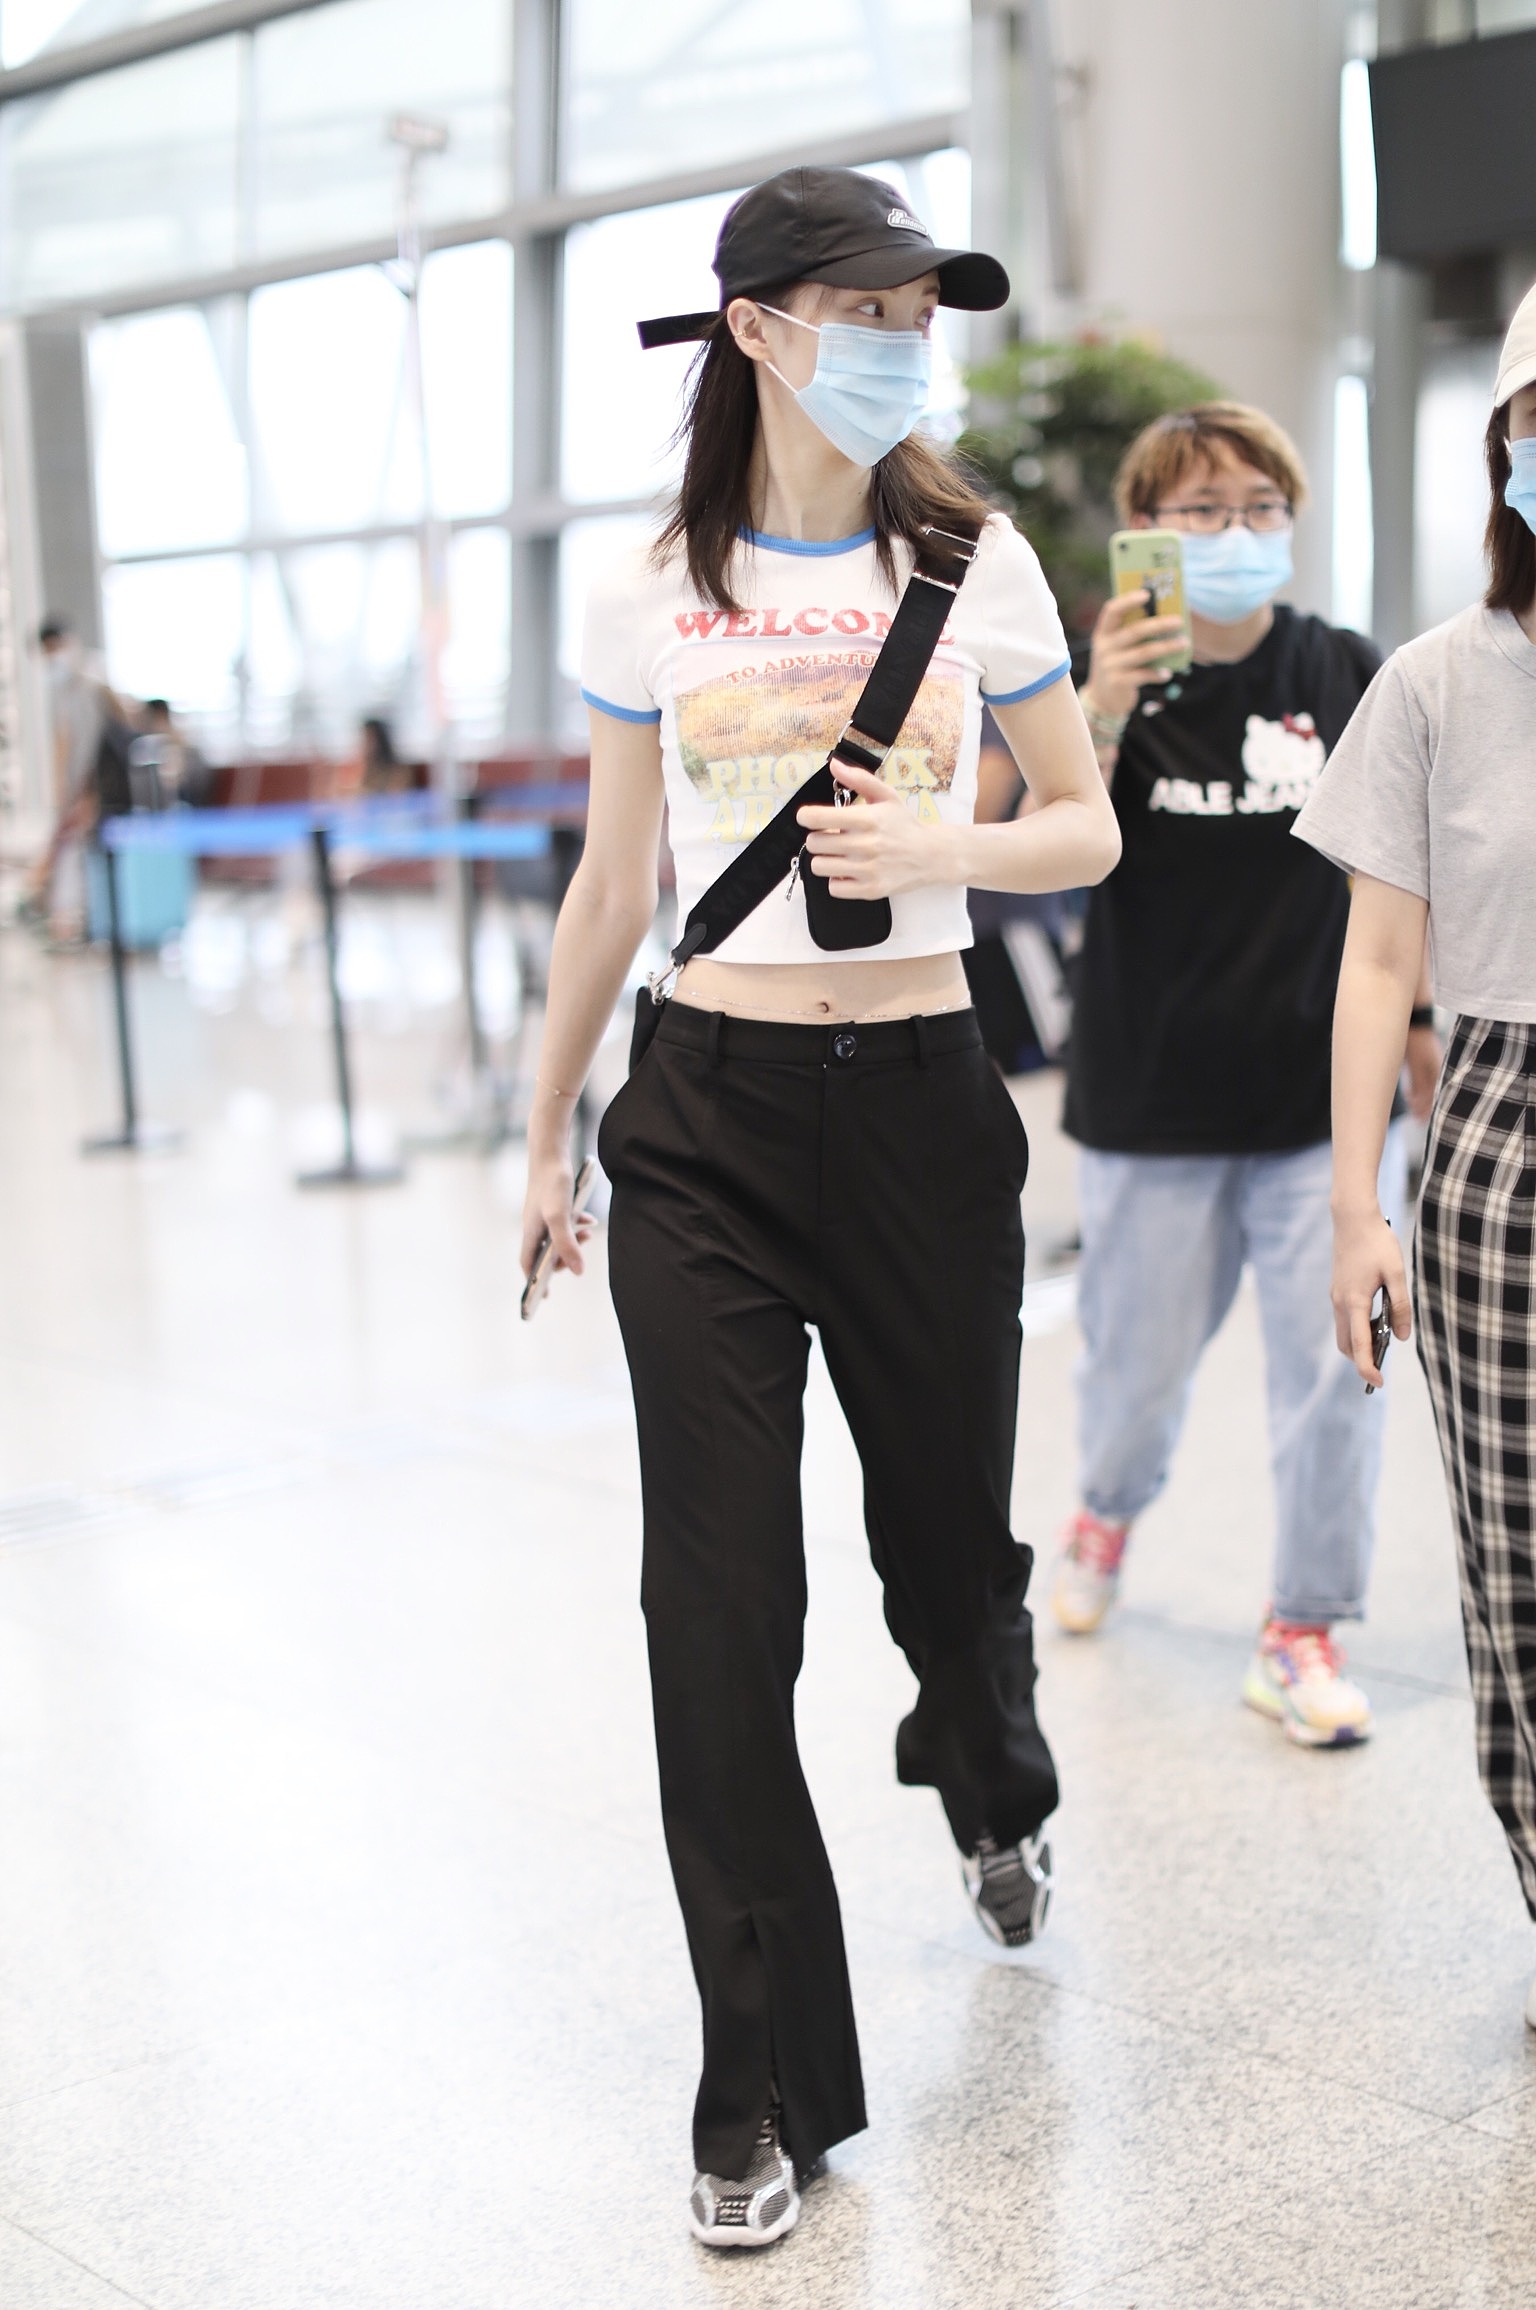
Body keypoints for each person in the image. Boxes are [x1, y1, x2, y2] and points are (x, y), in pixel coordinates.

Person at [521, 167, 1120, 2251]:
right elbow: (614, 884)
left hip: (927, 1113)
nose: (903, 347)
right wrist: (544, 1130)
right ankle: (759, 2078)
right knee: (715, 1609)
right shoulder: (649, 587)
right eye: (870, 311)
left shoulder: (974, 558)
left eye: (919, 316)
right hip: (705, 1122)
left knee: (943, 1551)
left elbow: (1085, 827)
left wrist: (947, 848)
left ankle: (989, 1771)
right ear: (760, 329)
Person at [1053, 402, 1440, 1747]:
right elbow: (1034, 840)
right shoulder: (1103, 682)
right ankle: (1105, 1510)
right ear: (1145, 530)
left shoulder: (1345, 669)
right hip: (1150, 1097)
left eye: (1259, 508)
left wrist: (1422, 1019)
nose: (1235, 531)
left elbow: (1402, 871)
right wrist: (1099, 706)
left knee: (1343, 1369)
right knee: (1136, 1373)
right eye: (1202, 510)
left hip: (1319, 1109)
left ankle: (1304, 1627)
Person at [1296, 281, 1536, 2026]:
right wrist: (1353, 1209)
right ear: (1507, 447)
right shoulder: (1439, 683)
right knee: (1519, 1569)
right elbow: (1381, 965)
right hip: (1504, 1125)